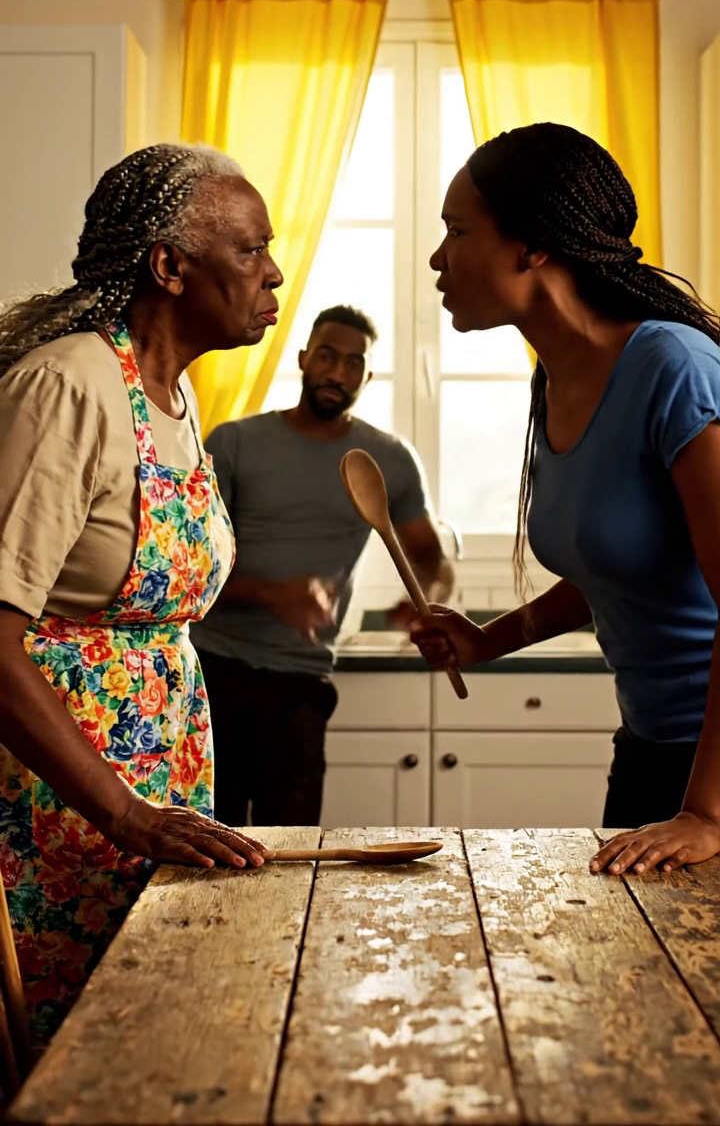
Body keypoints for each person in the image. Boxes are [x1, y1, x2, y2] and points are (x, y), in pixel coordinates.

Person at [0, 142, 282, 1046]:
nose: (274, 272)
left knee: (145, 1023)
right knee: (65, 1043)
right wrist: (121, 811)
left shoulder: (171, 398)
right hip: (56, 795)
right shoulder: (68, 384)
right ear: (169, 265)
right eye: (249, 250)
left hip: (156, 781)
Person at [410, 121, 720, 878]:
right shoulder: (556, 377)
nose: (437, 257)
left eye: (457, 230)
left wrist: (708, 813)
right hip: (652, 752)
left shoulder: (673, 368)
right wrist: (488, 639)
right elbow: (612, 565)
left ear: (533, 245)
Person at [191, 304, 453, 827]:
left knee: (288, 850)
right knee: (205, 843)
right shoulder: (234, 442)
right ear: (304, 358)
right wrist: (273, 592)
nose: (338, 373)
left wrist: (427, 602)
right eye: (328, 357)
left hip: (302, 682)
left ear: (367, 376)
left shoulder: (388, 459)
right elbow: (194, 566)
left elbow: (431, 559)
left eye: (353, 363)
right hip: (213, 671)